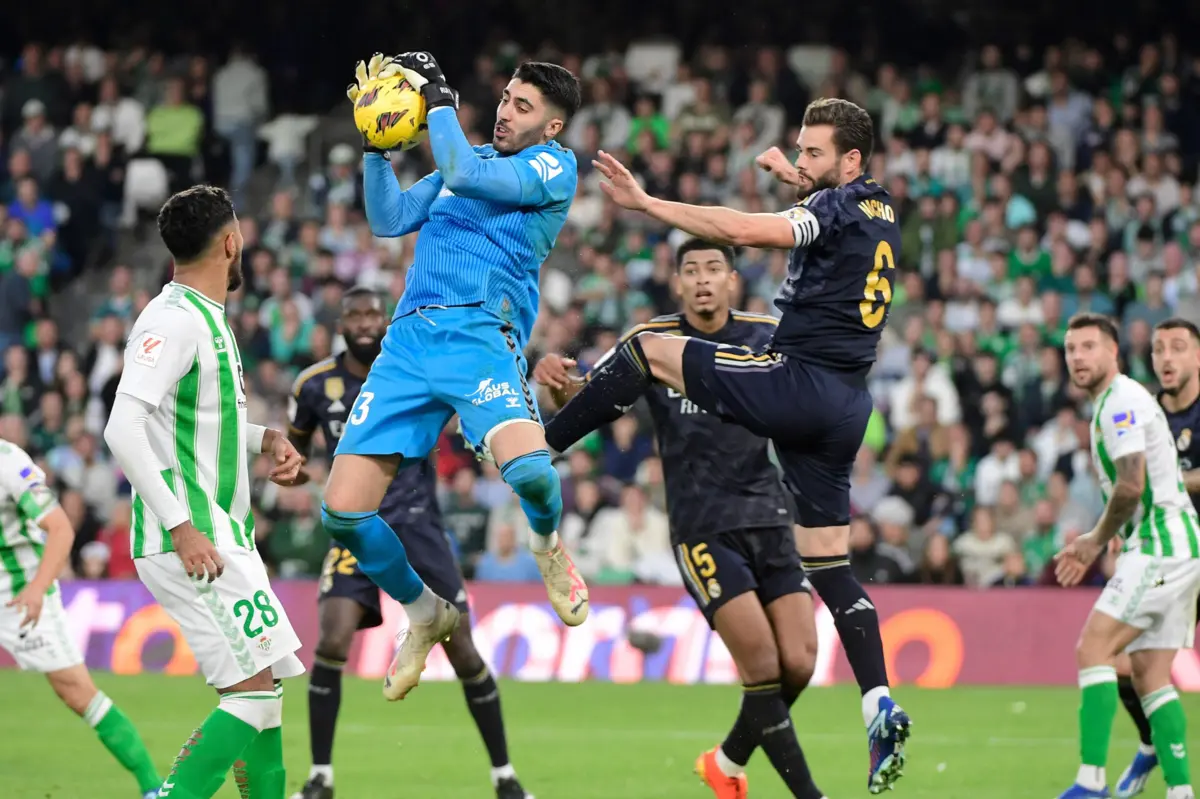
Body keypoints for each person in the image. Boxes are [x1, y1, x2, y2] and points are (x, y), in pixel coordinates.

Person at [542, 96, 910, 792]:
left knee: (648, 349)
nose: (800, 161)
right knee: (832, 569)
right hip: (845, 407)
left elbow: (751, 229)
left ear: (852, 159)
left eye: (812, 153)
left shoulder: (823, 215)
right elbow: (831, 206)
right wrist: (796, 178)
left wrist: (649, 203)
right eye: (797, 151)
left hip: (798, 382)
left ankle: (540, 446)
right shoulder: (881, 206)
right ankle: (877, 699)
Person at [322, 52, 585, 702]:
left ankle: (547, 543)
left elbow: (461, 171)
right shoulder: (458, 165)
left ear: (551, 127)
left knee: (528, 473)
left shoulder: (554, 166)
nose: (505, 110)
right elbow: (386, 220)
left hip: (479, 335)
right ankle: (423, 611)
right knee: (343, 512)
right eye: (505, 98)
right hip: (410, 339)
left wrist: (438, 96)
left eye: (523, 106)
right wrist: (373, 146)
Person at [536, 238, 824, 799]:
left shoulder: (766, 337)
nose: (703, 280)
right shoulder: (653, 343)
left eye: (714, 269)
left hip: (768, 516)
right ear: (677, 282)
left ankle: (726, 761)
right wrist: (557, 387)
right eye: (691, 270)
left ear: (732, 280)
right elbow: (591, 399)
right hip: (702, 527)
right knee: (763, 665)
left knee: (802, 661)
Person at [104, 185, 307, 799]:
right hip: (194, 538)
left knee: (263, 692)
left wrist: (262, 438)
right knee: (250, 697)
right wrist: (180, 525)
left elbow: (194, 420)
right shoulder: (171, 322)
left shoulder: (203, 317)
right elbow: (122, 426)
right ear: (231, 241)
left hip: (222, 532)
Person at [290, 287, 531, 799]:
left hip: (419, 525)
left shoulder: (414, 366)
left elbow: (470, 398)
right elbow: (296, 448)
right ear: (339, 323)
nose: (362, 321)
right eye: (352, 313)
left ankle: (505, 777)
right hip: (358, 525)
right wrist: (290, 468)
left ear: (386, 318)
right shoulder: (314, 385)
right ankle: (320, 778)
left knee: (464, 651)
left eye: (371, 312)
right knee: (331, 641)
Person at [1054, 313, 1200, 799]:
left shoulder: (1120, 404)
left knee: (1093, 649)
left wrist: (1096, 539)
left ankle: (1089, 782)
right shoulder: (1118, 401)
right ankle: (1181, 792)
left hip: (1162, 546)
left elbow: (1131, 485)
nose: (1077, 357)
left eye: (1088, 347)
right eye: (1071, 349)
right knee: (1149, 675)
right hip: (1176, 543)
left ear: (1113, 352)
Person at [0, 439, 161, 799]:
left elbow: (61, 529)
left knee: (76, 691)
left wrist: (38, 589)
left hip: (20, 590)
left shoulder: (9, 463)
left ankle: (153, 787)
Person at [1113, 316, 1200, 798]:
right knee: (1125, 665)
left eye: (1178, 348)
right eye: (1159, 349)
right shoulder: (1144, 412)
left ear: (1198, 357)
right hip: (1169, 555)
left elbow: (1154, 482)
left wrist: (1167, 480)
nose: (1166, 358)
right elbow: (1130, 481)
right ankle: (1152, 747)